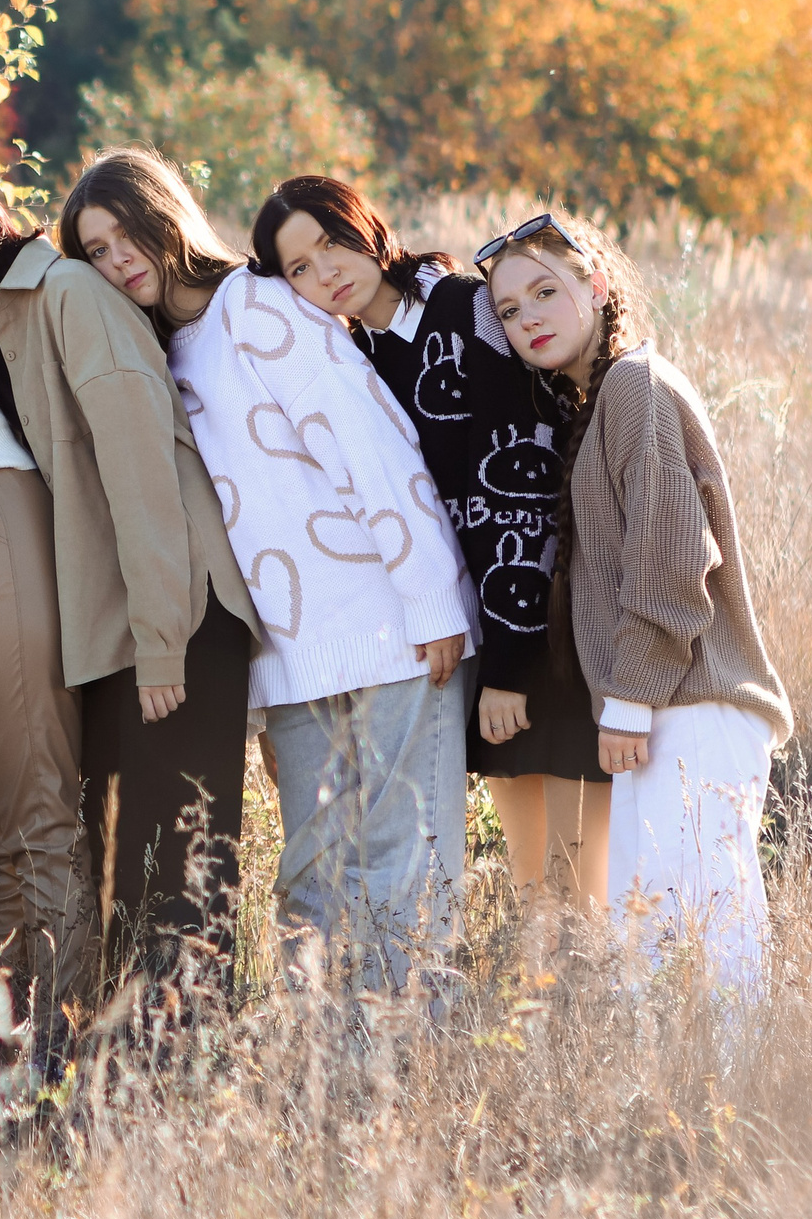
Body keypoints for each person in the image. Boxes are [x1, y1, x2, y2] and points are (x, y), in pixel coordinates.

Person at [70, 148, 475, 999]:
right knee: (312, 882)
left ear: (165, 213)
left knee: (406, 867)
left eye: (124, 235)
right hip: (291, 658)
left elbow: (369, 446)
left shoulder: (256, 306)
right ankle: (334, 1084)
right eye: (96, 252)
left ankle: (410, 1084)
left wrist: (433, 596)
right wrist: (255, 699)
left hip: (390, 624)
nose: (117, 261)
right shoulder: (163, 352)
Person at [0, 152, 259, 1039]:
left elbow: (142, 466)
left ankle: (185, 1077)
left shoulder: (67, 293)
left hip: (172, 614)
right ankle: (129, 1073)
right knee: (129, 863)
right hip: (110, 624)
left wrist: (163, 637)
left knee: (178, 876)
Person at [258, 176, 609, 923]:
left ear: (365, 224)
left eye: (330, 241)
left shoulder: (464, 307)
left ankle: (604, 1022)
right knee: (529, 885)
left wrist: (511, 669)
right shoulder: (357, 355)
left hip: (542, 625)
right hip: (485, 632)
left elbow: (524, 481)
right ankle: (545, 1027)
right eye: (298, 268)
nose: (325, 272)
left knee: (578, 881)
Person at [482, 211, 790, 990]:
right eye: (511, 311)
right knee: (663, 936)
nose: (529, 319)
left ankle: (734, 1097)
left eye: (545, 292)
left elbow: (673, 553)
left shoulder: (633, 384)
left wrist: (628, 696)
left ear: (596, 284)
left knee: (707, 932)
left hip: (691, 699)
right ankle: (693, 1099)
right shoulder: (599, 399)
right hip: (670, 702)